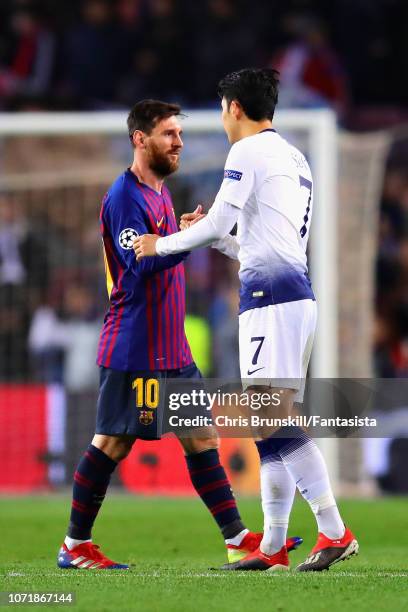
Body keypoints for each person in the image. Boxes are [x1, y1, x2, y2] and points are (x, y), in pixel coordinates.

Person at [57, 99, 301, 570]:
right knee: (113, 442)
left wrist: (184, 231)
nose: (179, 143)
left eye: (180, 135)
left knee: (202, 438)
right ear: (139, 139)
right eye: (169, 134)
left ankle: (236, 538)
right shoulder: (125, 196)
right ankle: (74, 544)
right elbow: (140, 259)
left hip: (172, 348)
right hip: (136, 346)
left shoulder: (161, 194)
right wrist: (188, 240)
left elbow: (163, 247)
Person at [134, 69, 359, 572]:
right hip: (292, 295)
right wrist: (213, 236)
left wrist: (161, 244)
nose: (222, 118)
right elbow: (254, 245)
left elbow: (220, 219)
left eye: (221, 109)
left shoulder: (248, 151)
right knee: (265, 424)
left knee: (274, 421)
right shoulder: (295, 157)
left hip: (270, 301)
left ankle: (334, 530)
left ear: (234, 107)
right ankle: (275, 544)